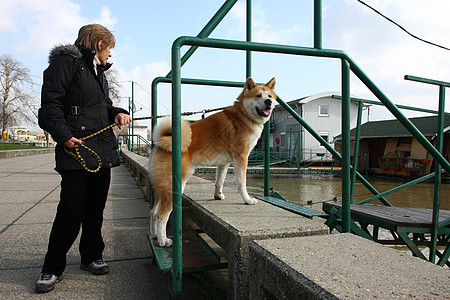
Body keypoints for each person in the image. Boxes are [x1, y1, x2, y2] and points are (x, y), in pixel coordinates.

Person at [36, 24, 132, 293]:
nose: (110, 55)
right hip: (76, 151)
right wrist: (64, 135)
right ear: (101, 44)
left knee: (95, 211)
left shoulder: (97, 72)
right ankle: (52, 267)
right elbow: (50, 107)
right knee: (70, 212)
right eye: (110, 49)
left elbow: (100, 107)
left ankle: (91, 256)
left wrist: (117, 113)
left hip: (101, 152)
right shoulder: (64, 64)